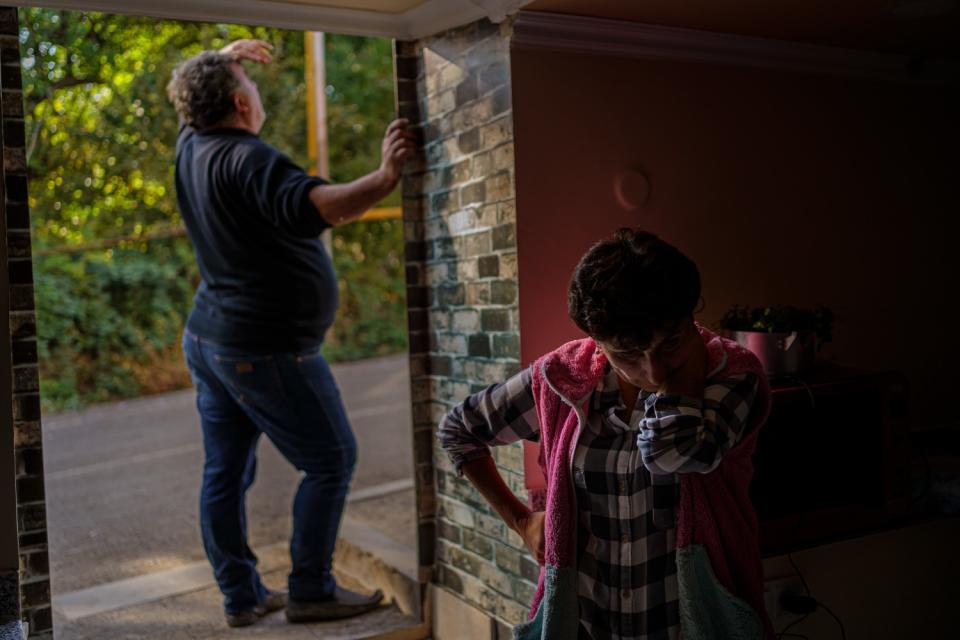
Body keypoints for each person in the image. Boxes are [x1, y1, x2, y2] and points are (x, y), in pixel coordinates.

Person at [167, 39, 415, 628]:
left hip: (209, 339)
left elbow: (192, 98)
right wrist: (385, 176)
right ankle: (310, 589)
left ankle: (242, 596)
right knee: (331, 460)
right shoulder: (249, 158)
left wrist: (220, 53)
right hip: (264, 349)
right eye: (248, 83)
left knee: (223, 474)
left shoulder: (189, 144)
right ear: (238, 101)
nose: (257, 90)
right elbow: (320, 207)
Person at [438, 229, 774, 640]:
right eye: (627, 354)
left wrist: (688, 366)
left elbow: (678, 453)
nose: (654, 371)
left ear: (692, 318)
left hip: (691, 624)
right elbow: (459, 430)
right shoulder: (562, 382)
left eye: (669, 341)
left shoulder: (730, 375)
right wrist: (523, 522)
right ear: (596, 342)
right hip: (588, 624)